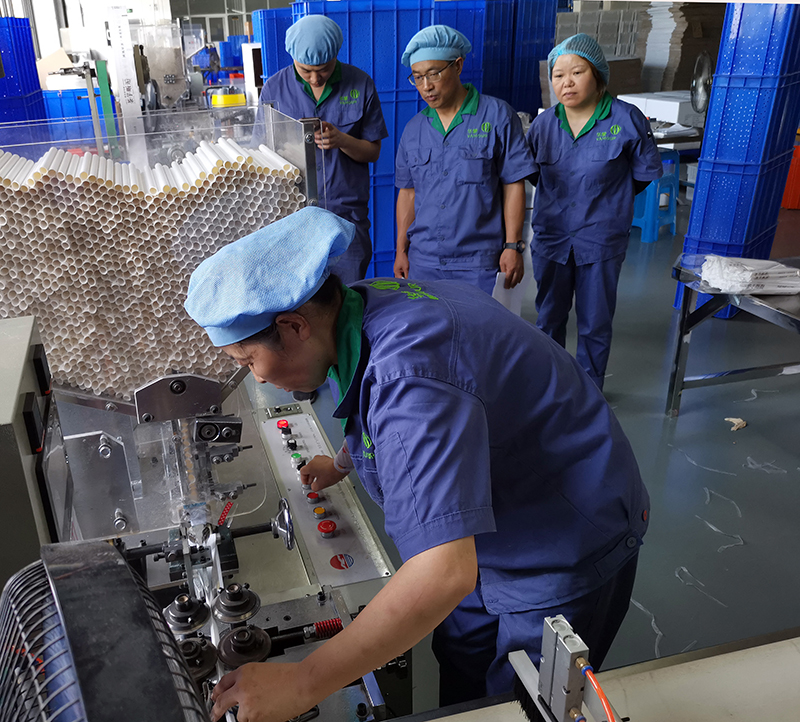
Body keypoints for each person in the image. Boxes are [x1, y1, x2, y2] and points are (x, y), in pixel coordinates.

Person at [184, 207, 649, 722]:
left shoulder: (408, 374)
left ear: (294, 326)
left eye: (249, 362)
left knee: (519, 703)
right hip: (489, 526)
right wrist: (341, 462)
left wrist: (302, 682)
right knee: (463, 666)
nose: (258, 379)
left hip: (563, 535)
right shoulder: (361, 305)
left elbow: (442, 573)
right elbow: (376, 407)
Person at [526, 34, 662, 390]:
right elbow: (533, 176)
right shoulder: (543, 125)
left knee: (595, 321)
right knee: (548, 318)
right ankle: (550, 388)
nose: (566, 83)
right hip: (552, 238)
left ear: (597, 74)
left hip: (601, 239)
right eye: (558, 75)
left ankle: (589, 394)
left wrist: (608, 202)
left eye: (577, 72)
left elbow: (642, 175)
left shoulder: (627, 119)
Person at [394, 25, 535, 295]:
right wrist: (402, 250)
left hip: (479, 262)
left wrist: (512, 245)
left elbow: (513, 184)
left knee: (479, 323)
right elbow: (408, 193)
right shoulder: (414, 129)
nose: (426, 86)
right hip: (424, 260)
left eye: (434, 74)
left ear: (458, 65)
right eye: (418, 77)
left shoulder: (497, 116)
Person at [256, 14, 388, 283]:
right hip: (292, 218)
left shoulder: (360, 84)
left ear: (336, 56)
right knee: (300, 297)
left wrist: (342, 140)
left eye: (324, 69)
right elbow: (261, 154)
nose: (315, 79)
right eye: (306, 71)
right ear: (293, 58)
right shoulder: (274, 89)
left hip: (345, 217)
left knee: (347, 293)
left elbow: (373, 152)